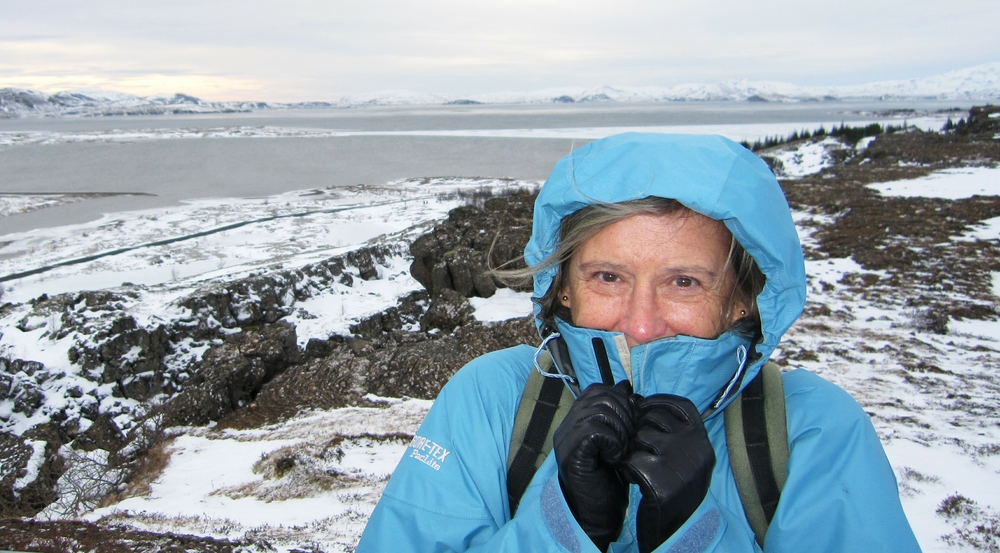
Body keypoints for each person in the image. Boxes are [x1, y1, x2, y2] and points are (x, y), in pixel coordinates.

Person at [357, 133, 919, 552]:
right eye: (608, 277)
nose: (642, 324)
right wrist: (562, 528)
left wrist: (695, 534)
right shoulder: (491, 401)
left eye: (684, 282)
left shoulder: (810, 432)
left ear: (741, 299)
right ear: (564, 288)